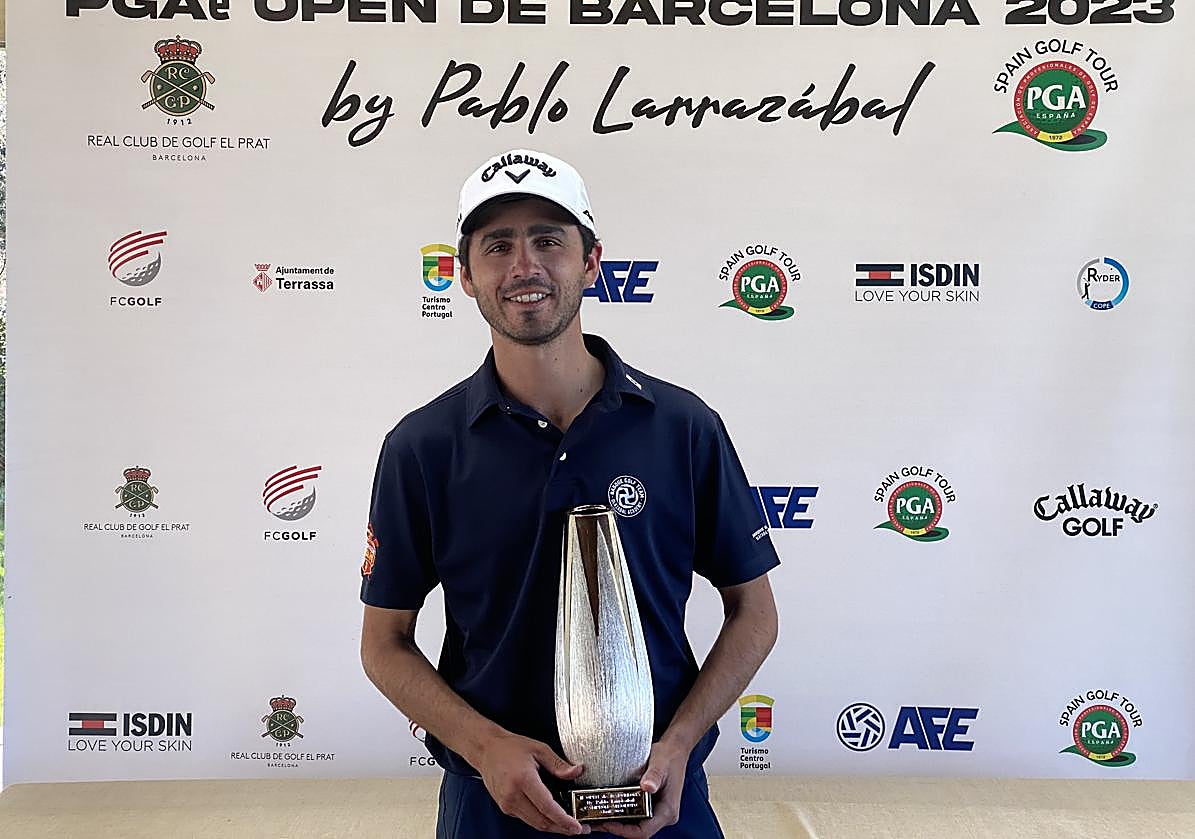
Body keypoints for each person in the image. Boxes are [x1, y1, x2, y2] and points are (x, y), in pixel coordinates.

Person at [359, 149, 780, 838]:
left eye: (548, 240)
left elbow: (754, 614)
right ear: (464, 276)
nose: (524, 265)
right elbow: (384, 642)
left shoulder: (681, 427)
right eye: (497, 246)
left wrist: (678, 745)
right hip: (491, 803)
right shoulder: (423, 446)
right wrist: (484, 745)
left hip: (659, 796)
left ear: (590, 261)